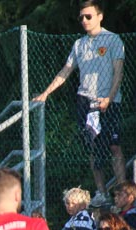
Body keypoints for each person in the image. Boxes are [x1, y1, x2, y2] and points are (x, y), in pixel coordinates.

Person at [34, 0, 126, 208]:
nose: (84, 20)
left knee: (114, 146)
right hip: (85, 101)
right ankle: (101, 192)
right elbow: (66, 70)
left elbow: (118, 72)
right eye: (81, 17)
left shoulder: (113, 39)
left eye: (88, 16)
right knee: (93, 148)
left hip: (108, 101)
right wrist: (46, 93)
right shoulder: (79, 44)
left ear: (100, 16)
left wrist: (109, 98)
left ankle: (123, 192)